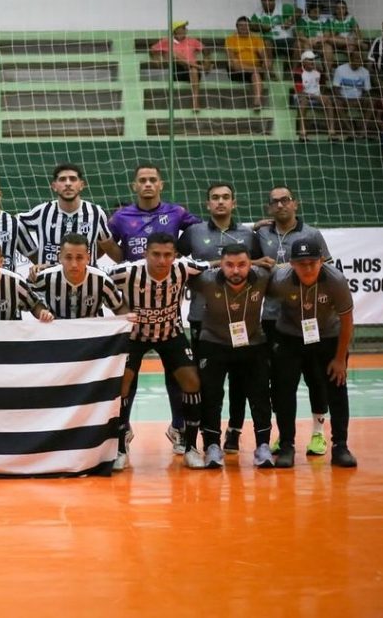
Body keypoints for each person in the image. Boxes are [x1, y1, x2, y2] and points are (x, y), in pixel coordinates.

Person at [107, 164, 201, 454]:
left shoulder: (177, 213)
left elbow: (201, 233)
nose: (147, 184)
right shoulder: (121, 217)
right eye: (142, 181)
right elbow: (103, 246)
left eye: (152, 180)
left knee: (180, 376)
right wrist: (122, 258)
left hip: (166, 307)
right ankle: (122, 435)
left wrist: (176, 260)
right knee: (126, 380)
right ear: (134, 186)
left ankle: (180, 429)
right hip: (134, 306)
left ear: (161, 184)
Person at [107, 232, 211, 471]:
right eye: (156, 254)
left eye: (167, 255)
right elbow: (99, 280)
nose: (162, 260)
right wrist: (120, 311)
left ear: (175, 255)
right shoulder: (128, 272)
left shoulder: (184, 268)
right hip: (135, 335)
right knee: (122, 382)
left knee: (192, 381)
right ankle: (120, 446)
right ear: (145, 254)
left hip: (170, 334)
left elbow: (215, 264)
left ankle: (190, 447)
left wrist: (257, 263)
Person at [178, 182, 267, 454]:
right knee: (207, 384)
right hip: (203, 320)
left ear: (234, 202)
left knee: (242, 383)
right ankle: (201, 435)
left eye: (226, 197)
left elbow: (262, 267)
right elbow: (178, 267)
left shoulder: (249, 235)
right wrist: (214, 265)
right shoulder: (193, 233)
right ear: (207, 204)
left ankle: (234, 432)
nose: (220, 202)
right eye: (215, 198)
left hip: (243, 322)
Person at [255, 185, 333, 456]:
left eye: (285, 200)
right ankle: (284, 435)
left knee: (316, 378)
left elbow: (327, 270)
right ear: (268, 208)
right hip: (272, 319)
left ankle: (318, 433)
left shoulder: (311, 234)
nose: (280, 205)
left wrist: (284, 269)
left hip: (308, 318)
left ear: (295, 204)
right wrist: (253, 227)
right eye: (274, 202)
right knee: (279, 382)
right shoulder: (261, 233)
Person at [266, 241, 356, 469]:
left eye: (312, 263)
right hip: (290, 337)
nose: (307, 268)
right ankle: (286, 445)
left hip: (328, 336)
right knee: (284, 389)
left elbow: (347, 321)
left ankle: (340, 447)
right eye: (301, 263)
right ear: (292, 263)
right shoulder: (281, 280)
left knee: (336, 386)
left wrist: (339, 359)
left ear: (321, 261)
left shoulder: (335, 280)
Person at [191, 244, 275, 469]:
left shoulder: (263, 277)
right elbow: (178, 272)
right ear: (221, 265)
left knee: (260, 395)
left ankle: (263, 446)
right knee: (211, 396)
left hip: (252, 343)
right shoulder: (205, 280)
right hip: (213, 343)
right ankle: (211, 446)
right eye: (229, 265)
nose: (235, 271)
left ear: (251, 264)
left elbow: (291, 269)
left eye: (242, 265)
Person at [19, 163, 117, 266]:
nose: (68, 183)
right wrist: (33, 254)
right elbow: (15, 223)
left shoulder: (96, 212)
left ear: (81, 185)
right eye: (62, 179)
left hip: (86, 279)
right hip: (49, 278)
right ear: (54, 186)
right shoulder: (42, 211)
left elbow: (107, 245)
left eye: (73, 179)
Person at [30, 233, 127, 319]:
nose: (74, 264)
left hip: (92, 334)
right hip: (57, 333)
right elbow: (32, 301)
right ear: (60, 258)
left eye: (79, 258)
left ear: (88, 258)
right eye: (68, 257)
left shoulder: (102, 281)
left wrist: (129, 320)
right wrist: (42, 312)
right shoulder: (45, 277)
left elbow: (118, 307)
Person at [149, 20, 210, 111]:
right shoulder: (167, 41)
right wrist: (155, 57)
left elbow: (206, 50)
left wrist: (206, 59)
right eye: (183, 27)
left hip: (193, 73)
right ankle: (200, 67)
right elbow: (152, 49)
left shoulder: (192, 41)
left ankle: (195, 102)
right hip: (177, 71)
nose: (186, 29)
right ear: (176, 30)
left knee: (193, 70)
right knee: (173, 54)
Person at [225, 16, 270, 112]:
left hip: (253, 71)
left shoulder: (256, 40)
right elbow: (235, 64)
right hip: (237, 72)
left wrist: (266, 61)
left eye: (246, 25)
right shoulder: (230, 39)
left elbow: (263, 54)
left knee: (256, 75)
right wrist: (261, 69)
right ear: (237, 27)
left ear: (250, 27)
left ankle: (257, 102)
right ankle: (257, 71)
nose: (244, 27)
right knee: (236, 65)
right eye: (241, 25)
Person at [249, 0, 296, 77]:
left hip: (286, 39)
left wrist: (291, 21)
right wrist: (261, 27)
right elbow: (251, 26)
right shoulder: (258, 13)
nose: (267, 3)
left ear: (274, 0)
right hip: (271, 42)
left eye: (270, 0)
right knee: (267, 43)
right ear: (262, 2)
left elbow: (299, 11)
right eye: (264, 1)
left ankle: (292, 72)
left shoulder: (282, 7)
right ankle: (270, 72)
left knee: (298, 45)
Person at [293, 50, 336, 141]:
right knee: (303, 101)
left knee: (328, 100)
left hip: (316, 96)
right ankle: (302, 133)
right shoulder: (298, 72)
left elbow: (323, 86)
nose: (313, 62)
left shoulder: (318, 72)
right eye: (310, 60)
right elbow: (300, 92)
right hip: (302, 96)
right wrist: (316, 97)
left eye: (313, 60)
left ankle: (331, 132)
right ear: (303, 62)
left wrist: (321, 96)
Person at [332, 51, 373, 139]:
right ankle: (350, 131)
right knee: (337, 102)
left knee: (371, 102)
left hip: (359, 99)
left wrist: (360, 99)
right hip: (344, 98)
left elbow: (367, 91)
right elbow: (335, 88)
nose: (359, 61)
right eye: (357, 58)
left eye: (361, 58)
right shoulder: (340, 69)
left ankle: (363, 130)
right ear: (350, 59)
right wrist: (344, 99)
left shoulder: (365, 72)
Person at [296, 2, 333, 76]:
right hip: (307, 41)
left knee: (328, 48)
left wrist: (319, 40)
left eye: (319, 12)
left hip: (320, 42)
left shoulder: (325, 20)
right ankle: (309, 72)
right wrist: (309, 40)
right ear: (310, 10)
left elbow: (327, 35)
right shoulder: (303, 20)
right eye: (315, 11)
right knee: (306, 45)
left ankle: (327, 74)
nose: (317, 13)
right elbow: (300, 35)